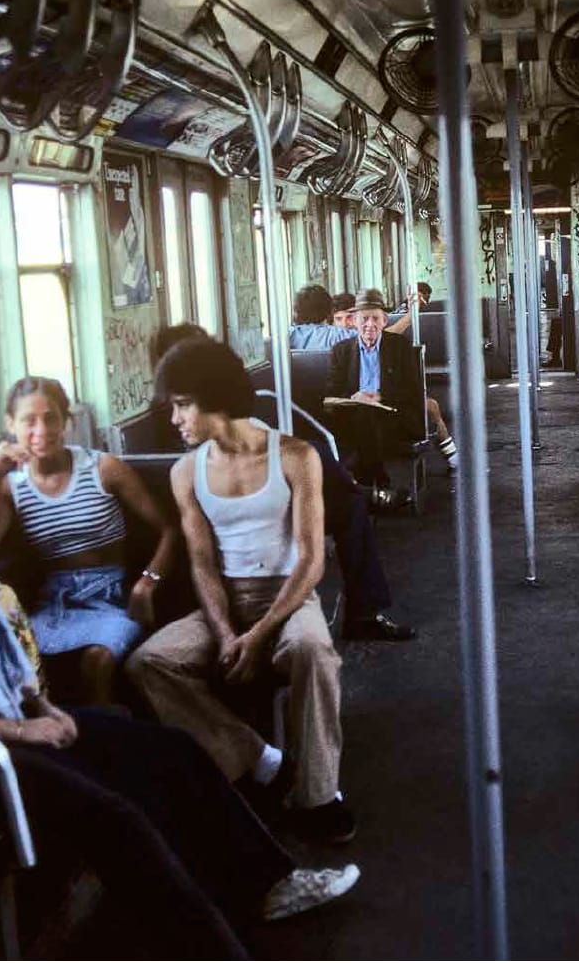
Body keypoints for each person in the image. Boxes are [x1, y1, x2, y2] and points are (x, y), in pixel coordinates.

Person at [0, 413, 358, 956]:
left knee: (171, 750)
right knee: (114, 811)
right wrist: (21, 730)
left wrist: (41, 707)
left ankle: (269, 882)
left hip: (11, 723)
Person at [126, 339, 357, 844]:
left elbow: (311, 560)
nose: (175, 420)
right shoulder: (185, 472)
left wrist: (261, 633)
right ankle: (259, 759)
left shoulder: (295, 456)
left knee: (313, 651)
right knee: (149, 662)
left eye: (183, 405)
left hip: (289, 596)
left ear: (214, 397)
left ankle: (319, 796)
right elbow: (203, 564)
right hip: (227, 600)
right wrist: (227, 632)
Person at [151, 323, 416, 642]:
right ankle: (361, 493)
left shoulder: (218, 399)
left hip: (256, 479)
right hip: (226, 496)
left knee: (332, 483)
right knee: (340, 490)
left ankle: (358, 498)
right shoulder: (176, 413)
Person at [0, 377, 177, 704]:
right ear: (11, 425)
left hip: (112, 597)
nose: (41, 430)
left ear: (66, 421)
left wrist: (147, 583)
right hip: (55, 603)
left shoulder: (103, 468)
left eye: (51, 418)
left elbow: (169, 529)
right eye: (29, 420)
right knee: (15, 661)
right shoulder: (12, 487)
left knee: (96, 663)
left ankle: (107, 730)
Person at [325, 291, 456, 496]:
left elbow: (413, 390)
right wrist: (354, 397)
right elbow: (333, 389)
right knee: (364, 418)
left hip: (394, 415)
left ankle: (369, 488)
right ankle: (379, 486)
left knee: (368, 421)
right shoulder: (341, 351)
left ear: (384, 321)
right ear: (355, 321)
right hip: (355, 415)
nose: (369, 324)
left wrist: (381, 396)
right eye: (364, 319)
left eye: (375, 318)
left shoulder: (399, 347)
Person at [290, 284, 413, 351]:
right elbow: (379, 338)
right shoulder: (335, 335)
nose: (345, 323)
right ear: (328, 313)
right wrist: (409, 318)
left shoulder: (288, 336)